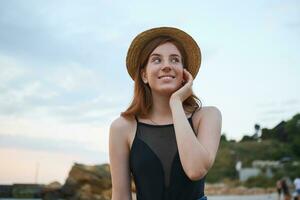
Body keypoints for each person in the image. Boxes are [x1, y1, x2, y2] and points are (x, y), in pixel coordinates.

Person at [109, 26, 222, 200]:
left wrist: (176, 103)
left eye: (175, 60)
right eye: (156, 60)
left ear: (184, 73)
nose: (167, 66)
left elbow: (195, 170)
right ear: (144, 75)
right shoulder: (122, 128)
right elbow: (121, 196)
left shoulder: (207, 117)